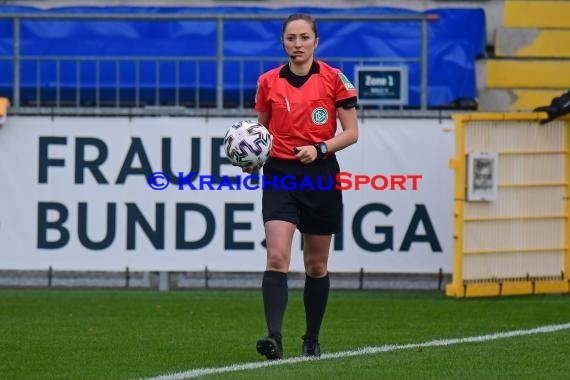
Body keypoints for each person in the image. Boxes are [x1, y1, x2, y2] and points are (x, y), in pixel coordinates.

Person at [247, 12, 359, 360]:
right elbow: (260, 134)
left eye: (304, 38)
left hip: (321, 174)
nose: (297, 44)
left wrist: (320, 148)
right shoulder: (268, 81)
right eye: (291, 38)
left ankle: (311, 337)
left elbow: (352, 133)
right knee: (277, 256)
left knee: (315, 265)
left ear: (316, 41)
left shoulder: (335, 79)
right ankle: (274, 338)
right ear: (282, 42)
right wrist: (253, 159)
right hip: (280, 174)